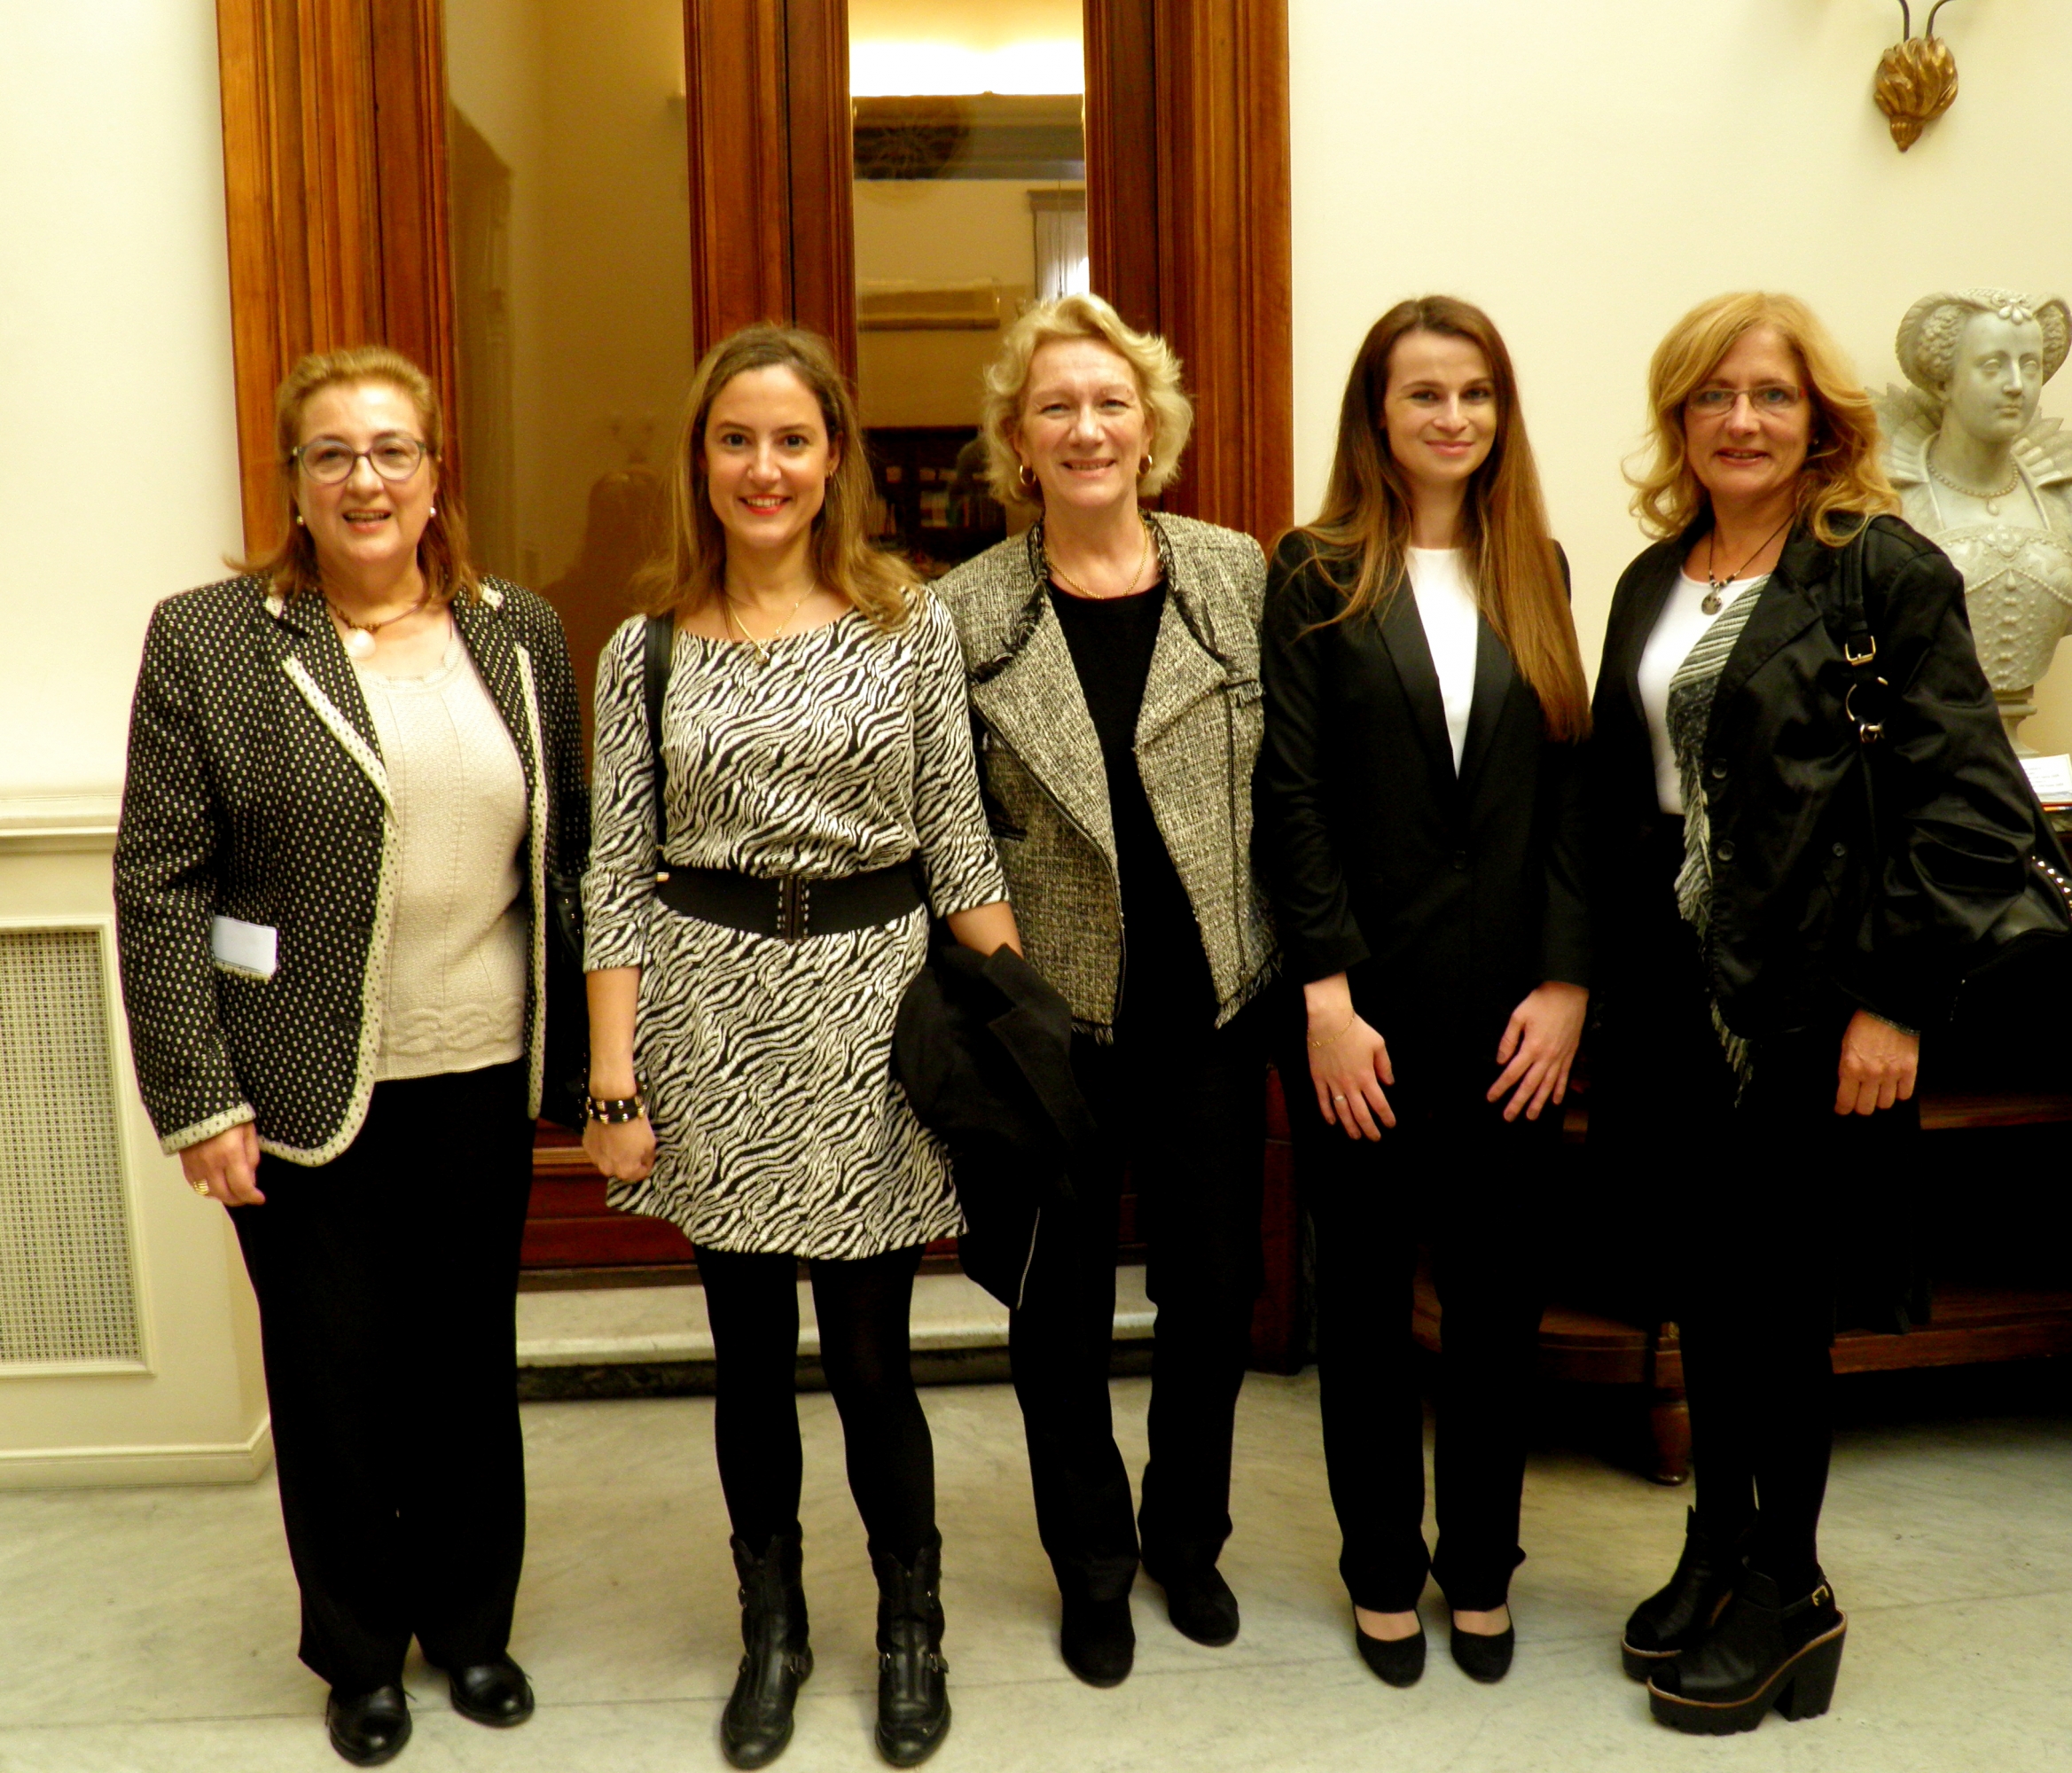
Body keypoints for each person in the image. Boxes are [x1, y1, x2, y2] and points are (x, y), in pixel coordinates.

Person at [113, 344, 584, 1766]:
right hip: (300, 1080)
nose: (366, 479)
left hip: (481, 1064)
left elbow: (567, 863)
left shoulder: (522, 633)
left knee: (464, 1365)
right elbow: (159, 884)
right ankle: (362, 1649)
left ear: (438, 476)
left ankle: (472, 1625)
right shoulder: (212, 640)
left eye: (393, 451)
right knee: (332, 1377)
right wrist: (200, 1096)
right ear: (295, 484)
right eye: (334, 454)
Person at [1589, 292, 2053, 1735]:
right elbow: (1629, 800)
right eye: (1711, 395)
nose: (1739, 418)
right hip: (1675, 1003)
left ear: (1820, 420)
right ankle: (1714, 1547)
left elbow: (1967, 807)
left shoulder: (1881, 575)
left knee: (1781, 1313)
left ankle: (1790, 1596)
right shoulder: (1652, 579)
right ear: (1678, 420)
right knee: (1709, 1298)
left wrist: (1895, 1005)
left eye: (1770, 396)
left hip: (1812, 1006)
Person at [579, 324, 1016, 1770]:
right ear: (702, 461)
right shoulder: (642, 654)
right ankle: (772, 1628)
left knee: (876, 1363)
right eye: (734, 440)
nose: (763, 468)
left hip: (870, 1018)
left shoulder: (911, 625)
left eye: (791, 440)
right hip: (711, 1020)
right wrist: (612, 1078)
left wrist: (1024, 1053)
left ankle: (909, 1624)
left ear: (834, 458)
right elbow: (617, 876)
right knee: (749, 1361)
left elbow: (957, 846)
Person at [933, 292, 1277, 1688]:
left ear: (1154, 428)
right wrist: (1016, 1000)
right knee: (1056, 1312)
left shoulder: (1237, 576)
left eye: (1110, 403)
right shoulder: (959, 614)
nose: (1086, 428)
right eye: (1054, 407)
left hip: (1212, 1009)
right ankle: (1092, 1565)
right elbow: (945, 829)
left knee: (1212, 1295)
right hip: (1048, 1021)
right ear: (1019, 441)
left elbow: (1290, 790)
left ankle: (1186, 1541)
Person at [1255, 296, 1591, 1691]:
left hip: (1517, 1012)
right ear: (1375, 420)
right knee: (1368, 1308)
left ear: (1499, 414)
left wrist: (1570, 981)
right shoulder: (1316, 570)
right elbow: (1291, 796)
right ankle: (1382, 1568)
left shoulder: (1542, 566)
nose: (1451, 418)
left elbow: (1577, 790)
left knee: (1500, 1307)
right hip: (1364, 1018)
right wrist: (1327, 998)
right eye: (1421, 396)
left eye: (1474, 394)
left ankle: (1482, 1570)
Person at [1874, 288, 2072, 753]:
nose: (2015, 385)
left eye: (2030, 366)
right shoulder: (1889, 496)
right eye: (1991, 366)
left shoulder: (2060, 494)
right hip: (1927, 758)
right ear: (1943, 383)